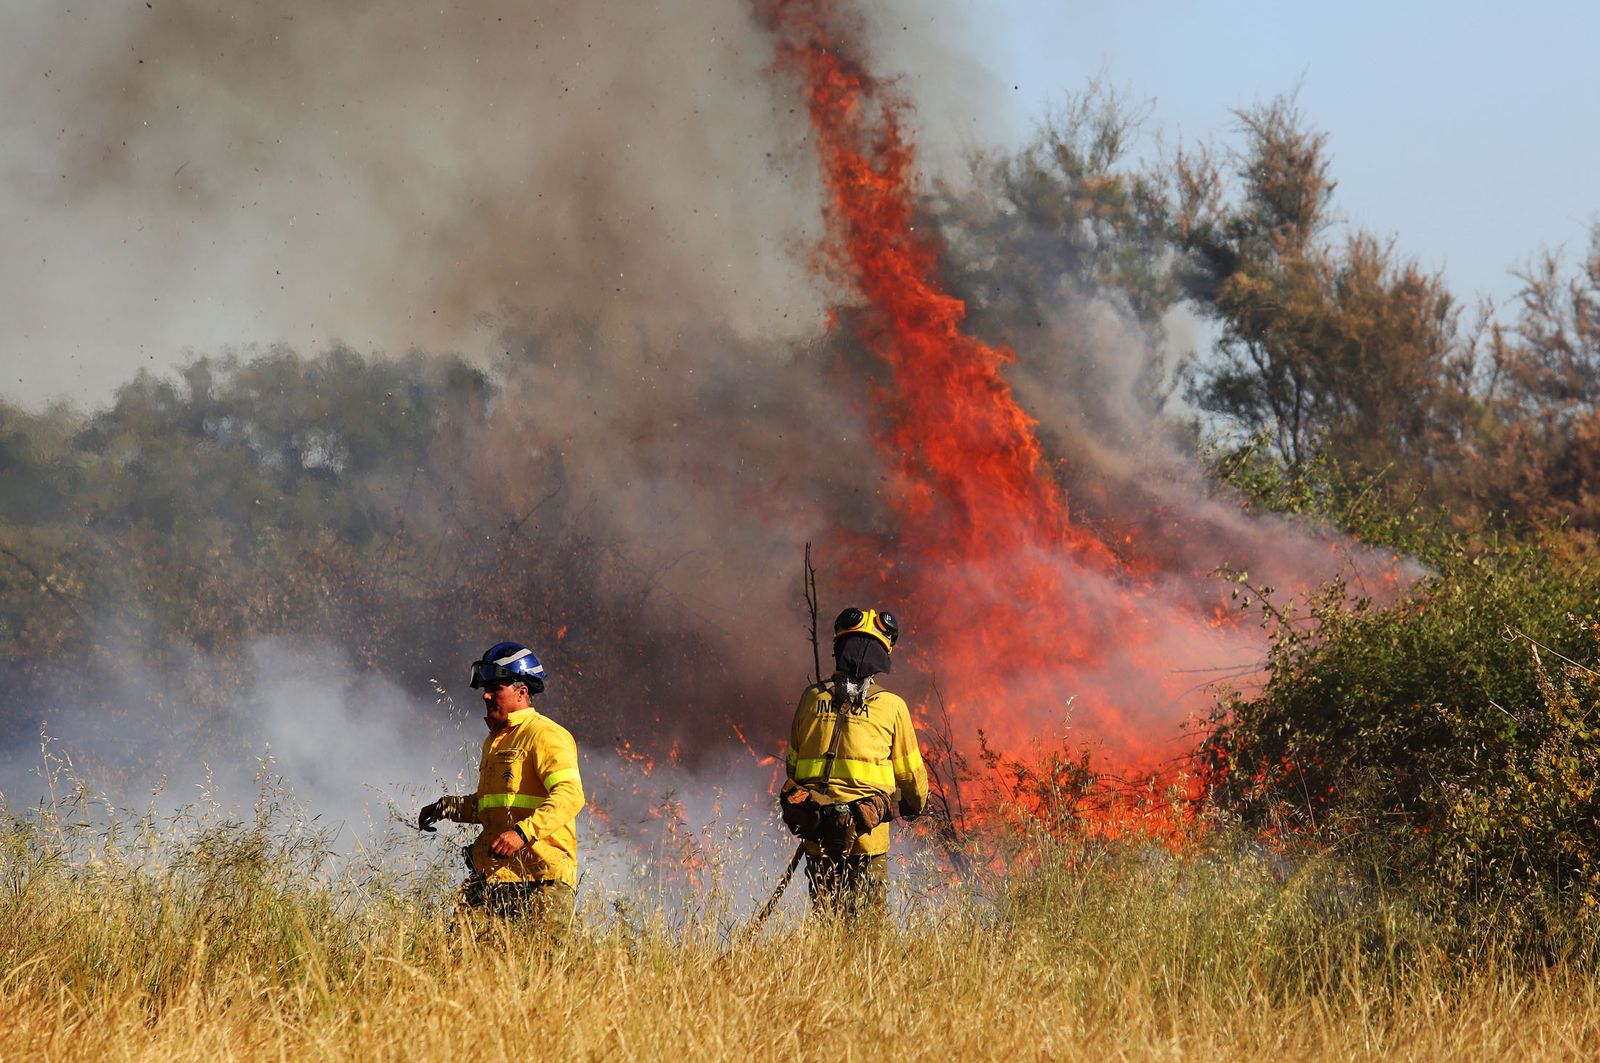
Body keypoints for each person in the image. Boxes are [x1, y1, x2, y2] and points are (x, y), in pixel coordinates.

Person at [418, 641, 584, 941]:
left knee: (542, 975)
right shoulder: (495, 741)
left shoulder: (546, 734)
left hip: (541, 880)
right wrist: (447, 807)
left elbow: (570, 794)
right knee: (459, 961)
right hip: (492, 877)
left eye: (496, 687)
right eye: (485, 687)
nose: (486, 694)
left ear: (522, 691)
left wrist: (522, 833)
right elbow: (492, 805)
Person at [783, 606, 929, 919]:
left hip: (817, 837)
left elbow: (792, 769)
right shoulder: (891, 707)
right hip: (867, 840)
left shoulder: (810, 699)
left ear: (839, 649)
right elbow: (912, 779)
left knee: (828, 923)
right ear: (883, 655)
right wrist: (911, 808)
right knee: (869, 934)